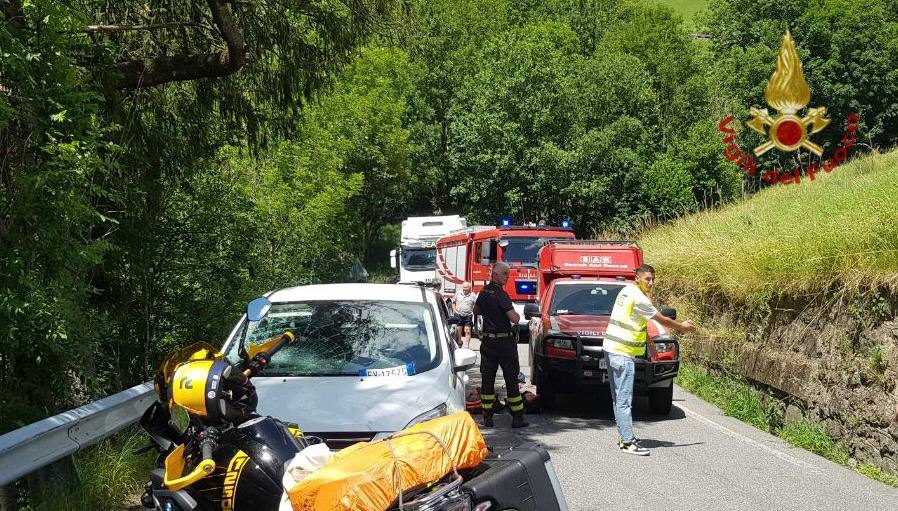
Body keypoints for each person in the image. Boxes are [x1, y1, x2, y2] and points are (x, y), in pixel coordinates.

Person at [604, 264, 695, 455]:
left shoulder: (627, 291)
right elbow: (662, 320)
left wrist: (651, 345)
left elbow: (636, 321)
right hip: (623, 353)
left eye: (653, 279)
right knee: (624, 401)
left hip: (611, 350)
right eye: (647, 279)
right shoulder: (639, 298)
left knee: (618, 398)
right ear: (637, 278)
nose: (651, 283)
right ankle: (628, 442)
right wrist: (683, 327)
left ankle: (623, 437)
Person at [474, 262, 528, 428]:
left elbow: (476, 311)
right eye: (505, 273)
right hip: (504, 342)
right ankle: (517, 418)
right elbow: (515, 318)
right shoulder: (501, 294)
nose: (507, 277)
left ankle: (487, 417)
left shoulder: (483, 292)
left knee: (487, 380)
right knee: (511, 379)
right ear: (495, 275)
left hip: (488, 342)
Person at [452, 282, 477, 348]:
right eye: (463, 289)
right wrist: (455, 310)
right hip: (458, 314)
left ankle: (466, 346)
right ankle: (459, 342)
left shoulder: (473, 295)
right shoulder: (458, 293)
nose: (464, 291)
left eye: (466, 289)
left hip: (468, 315)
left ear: (470, 289)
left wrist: (473, 312)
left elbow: (476, 305)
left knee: (467, 330)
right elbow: (453, 302)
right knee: (458, 330)